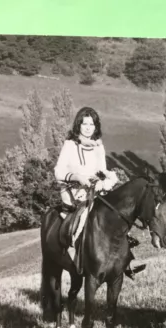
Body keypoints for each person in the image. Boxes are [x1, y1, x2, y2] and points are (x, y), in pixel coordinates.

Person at [54, 106, 145, 278]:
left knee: (116, 214)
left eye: (92, 124)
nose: (88, 127)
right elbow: (58, 171)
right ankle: (78, 258)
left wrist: (108, 179)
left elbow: (101, 170)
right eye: (84, 124)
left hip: (95, 191)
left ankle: (126, 260)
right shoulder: (70, 145)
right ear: (78, 125)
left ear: (96, 127)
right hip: (75, 191)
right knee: (85, 216)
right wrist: (77, 177)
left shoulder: (98, 146)